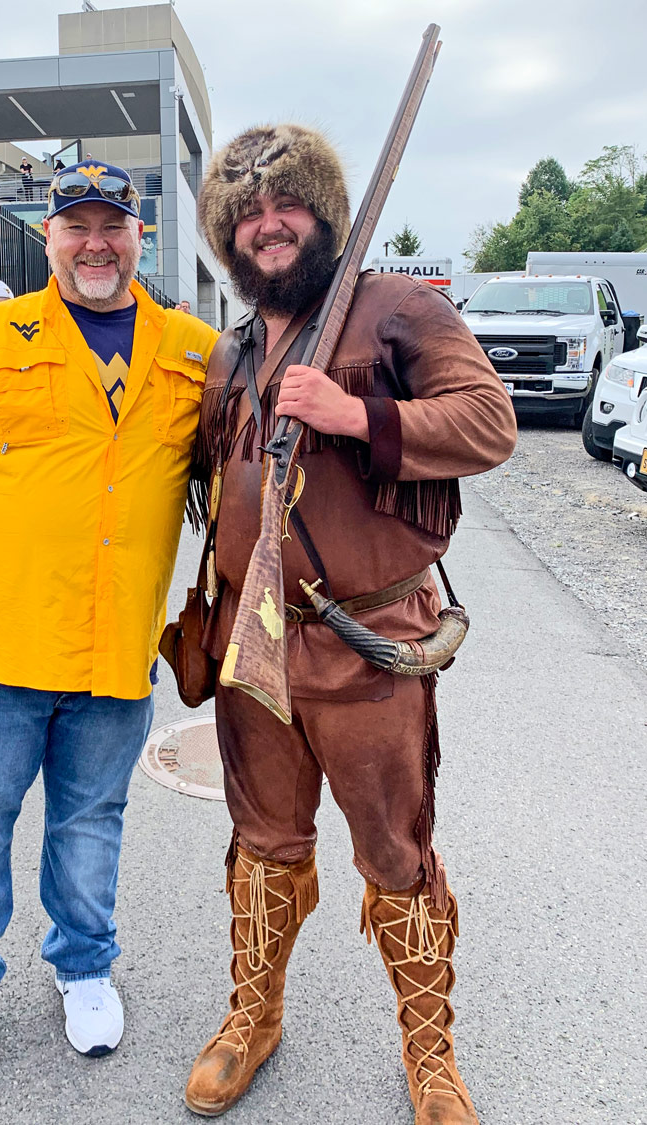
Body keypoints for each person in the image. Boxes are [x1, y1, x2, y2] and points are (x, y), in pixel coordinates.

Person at [184, 124, 517, 1123]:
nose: (266, 226)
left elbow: (488, 424)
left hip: (368, 646)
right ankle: (255, 1018)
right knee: (264, 845)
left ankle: (430, 1056)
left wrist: (353, 414)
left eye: (284, 208)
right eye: (245, 216)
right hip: (256, 647)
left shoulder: (396, 308)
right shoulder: (234, 347)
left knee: (396, 856)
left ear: (323, 215)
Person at [0, 159, 218, 1104]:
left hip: (114, 650)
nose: (95, 243)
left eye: (111, 224)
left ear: (139, 237)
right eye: (75, 226)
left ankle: (84, 966)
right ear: (50, 238)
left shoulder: (191, 350)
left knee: (90, 821)